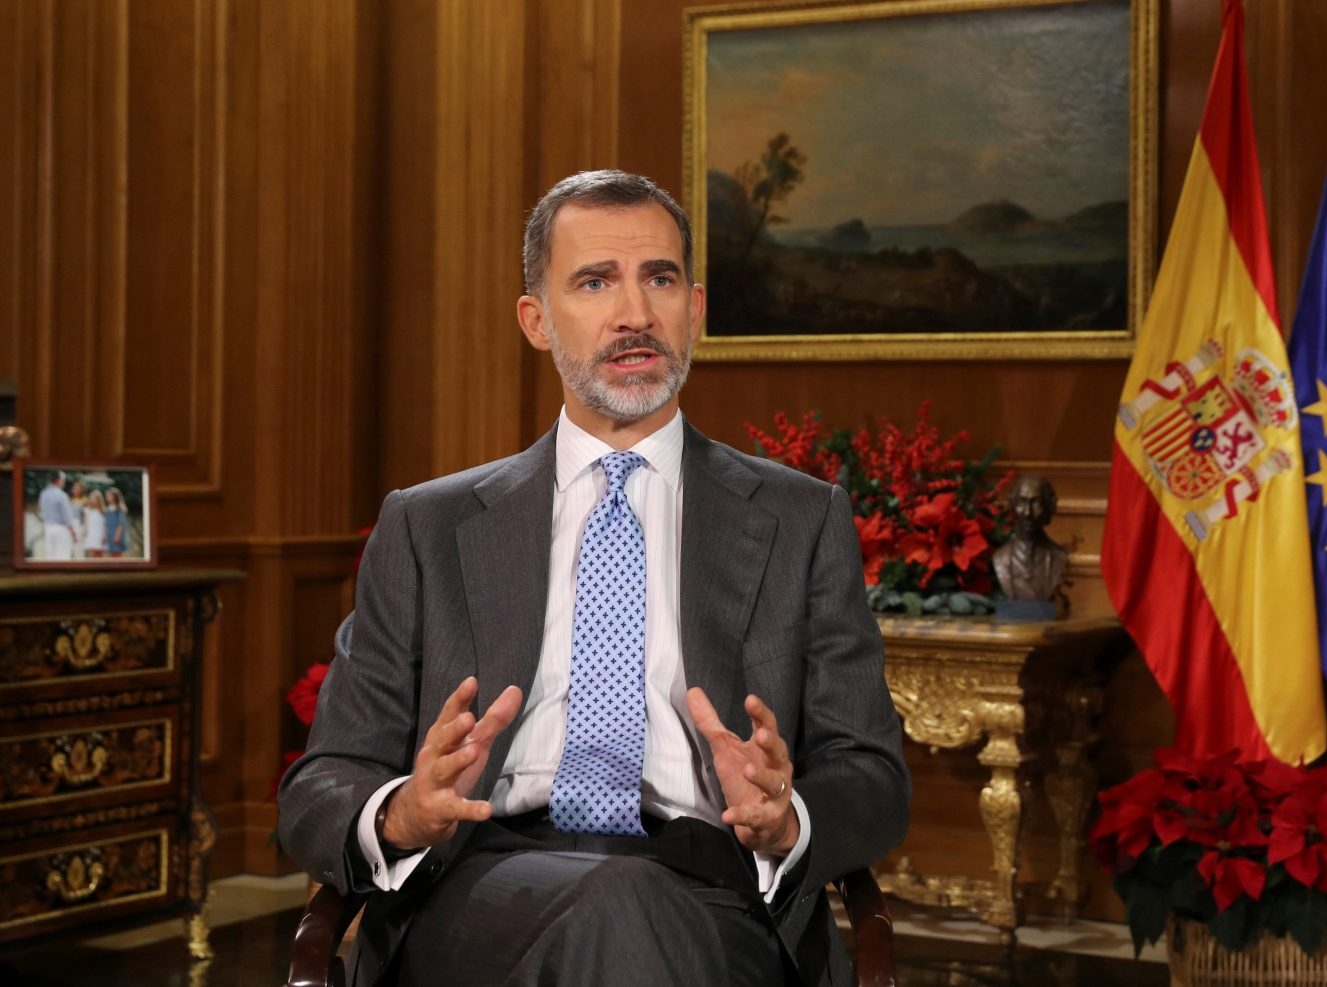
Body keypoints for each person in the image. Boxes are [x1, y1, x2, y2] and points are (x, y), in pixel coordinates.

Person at [278, 170, 910, 987]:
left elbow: (874, 773)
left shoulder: (801, 519)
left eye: (661, 278)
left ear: (697, 308)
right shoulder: (428, 526)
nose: (636, 314)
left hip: (717, 892)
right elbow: (320, 782)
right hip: (482, 883)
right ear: (536, 321)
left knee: (629, 905)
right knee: (621, 907)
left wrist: (787, 820)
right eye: (594, 281)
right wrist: (403, 810)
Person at [993, 474, 1068, 603]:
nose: (1027, 512)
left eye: (1036, 503)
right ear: (1012, 505)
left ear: (1049, 507)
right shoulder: (1000, 558)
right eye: (1022, 502)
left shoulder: (1058, 557)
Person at [37, 472, 75, 560]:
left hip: (48, 527)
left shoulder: (43, 494)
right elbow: (66, 515)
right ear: (58, 481)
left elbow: (41, 510)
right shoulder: (62, 495)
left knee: (50, 556)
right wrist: (73, 531)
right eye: (63, 481)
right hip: (61, 528)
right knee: (63, 555)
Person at [104, 488, 130, 557]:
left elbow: (121, 524)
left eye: (109, 495)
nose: (107, 497)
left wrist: (117, 536)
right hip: (110, 535)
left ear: (114, 497)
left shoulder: (120, 508)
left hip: (117, 535)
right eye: (107, 495)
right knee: (112, 554)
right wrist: (106, 535)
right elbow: (106, 524)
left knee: (117, 555)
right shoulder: (108, 508)